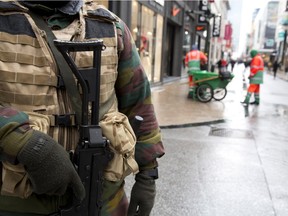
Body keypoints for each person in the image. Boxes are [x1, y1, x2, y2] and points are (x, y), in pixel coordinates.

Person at [0, 1, 165, 216]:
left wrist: (148, 174)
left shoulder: (111, 27)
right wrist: (22, 142)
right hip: (15, 203)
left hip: (103, 199)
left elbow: (139, 105)